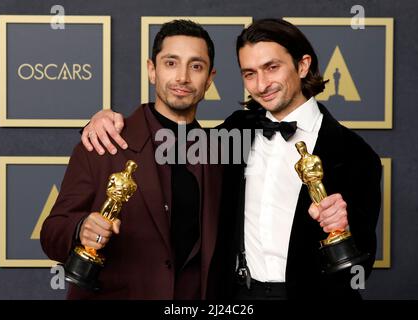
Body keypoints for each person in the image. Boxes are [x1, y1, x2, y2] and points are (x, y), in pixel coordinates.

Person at [80, 19, 382, 300]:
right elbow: (167, 139)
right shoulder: (237, 130)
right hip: (235, 298)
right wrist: (103, 120)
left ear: (303, 66)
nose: (262, 84)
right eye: (250, 73)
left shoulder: (356, 155)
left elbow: (360, 265)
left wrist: (344, 228)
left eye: (272, 67)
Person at [40, 19, 224, 299]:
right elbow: (51, 233)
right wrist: (81, 228)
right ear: (152, 70)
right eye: (171, 63)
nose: (183, 77)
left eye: (196, 66)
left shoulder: (222, 153)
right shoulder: (104, 141)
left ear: (209, 79)